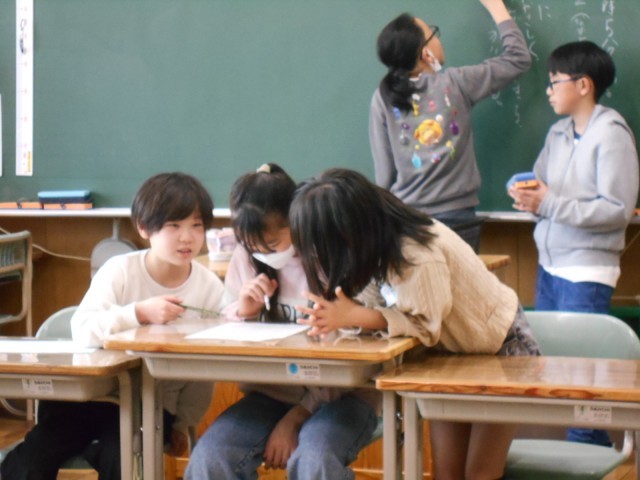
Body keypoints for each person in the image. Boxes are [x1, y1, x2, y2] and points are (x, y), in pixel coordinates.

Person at [289, 168, 540, 480]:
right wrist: (345, 315)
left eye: (322, 246)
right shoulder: (370, 248)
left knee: (480, 473)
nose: (319, 256)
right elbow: (369, 309)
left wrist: (354, 316)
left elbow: (425, 326)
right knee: (446, 473)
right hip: (448, 360)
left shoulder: (416, 252)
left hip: (503, 352)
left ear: (347, 231)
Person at [1, 172, 224, 480]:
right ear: (144, 227)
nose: (187, 237)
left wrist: (183, 422)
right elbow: (83, 329)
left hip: (148, 408)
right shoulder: (119, 271)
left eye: (196, 225)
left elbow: (203, 369)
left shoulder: (209, 288)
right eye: (174, 225)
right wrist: (138, 313)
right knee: (29, 462)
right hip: (86, 399)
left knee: (121, 457)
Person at [185, 164, 379, 480]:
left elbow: (353, 350)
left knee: (314, 459)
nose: (263, 254)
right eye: (253, 247)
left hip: (342, 394)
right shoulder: (247, 256)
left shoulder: (331, 254)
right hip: (273, 393)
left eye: (272, 246)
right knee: (211, 458)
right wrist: (243, 311)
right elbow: (225, 329)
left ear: (296, 221)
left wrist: (298, 415)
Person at [508, 41, 639, 446]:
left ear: (584, 85)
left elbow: (617, 209)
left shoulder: (611, 135)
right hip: (550, 264)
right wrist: (524, 193)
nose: (548, 91)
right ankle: (581, 451)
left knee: (583, 376)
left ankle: (589, 451)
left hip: (586, 269)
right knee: (557, 370)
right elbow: (542, 184)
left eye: (555, 82)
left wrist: (548, 203)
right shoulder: (558, 133)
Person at [369, 0, 531, 251]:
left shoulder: (383, 97)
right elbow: (518, 59)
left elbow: (384, 175)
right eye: (433, 34)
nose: (438, 39)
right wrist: (496, 8)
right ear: (425, 53)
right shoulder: (456, 83)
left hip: (407, 221)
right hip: (458, 217)